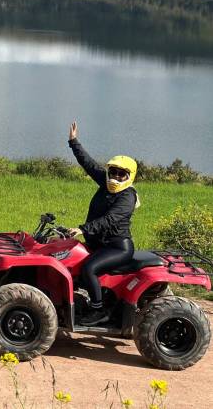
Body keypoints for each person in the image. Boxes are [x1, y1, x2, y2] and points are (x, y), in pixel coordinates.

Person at [67, 120, 139, 326]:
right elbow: (88, 164)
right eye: (113, 171)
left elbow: (110, 220)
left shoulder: (127, 197)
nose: (115, 176)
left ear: (129, 176)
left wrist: (82, 229)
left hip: (117, 247)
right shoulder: (106, 183)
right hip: (99, 243)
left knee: (89, 268)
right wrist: (73, 142)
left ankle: (98, 310)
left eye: (121, 173)